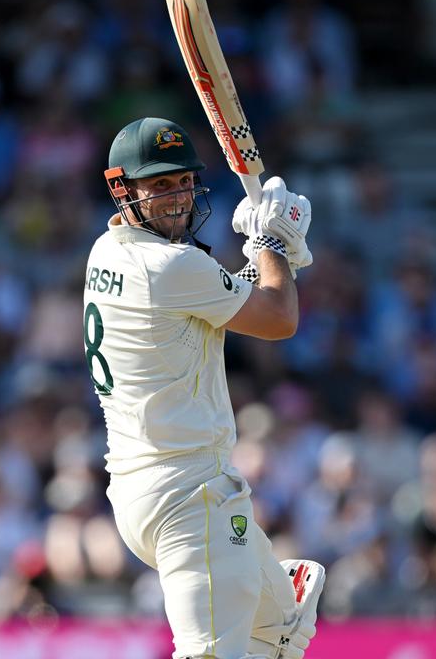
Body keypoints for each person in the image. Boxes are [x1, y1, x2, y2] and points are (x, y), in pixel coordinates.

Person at [83, 117, 324, 659]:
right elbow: (279, 319)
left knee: (281, 629)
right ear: (123, 190)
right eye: (159, 186)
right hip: (191, 497)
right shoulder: (172, 266)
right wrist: (270, 243)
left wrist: (274, 255)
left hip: (139, 491)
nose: (177, 198)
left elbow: (211, 302)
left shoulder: (107, 252)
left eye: (184, 182)